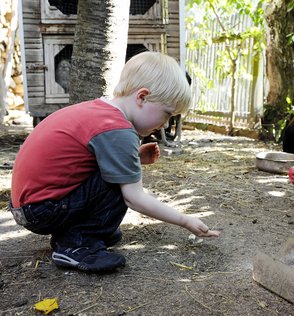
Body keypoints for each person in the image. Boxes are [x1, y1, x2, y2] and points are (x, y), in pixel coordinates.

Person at [9, 52, 220, 273]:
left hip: (31, 207)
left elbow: (79, 163)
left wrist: (134, 156)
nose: (165, 125)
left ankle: (79, 231)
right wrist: (185, 220)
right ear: (142, 97)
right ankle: (78, 244)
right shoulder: (118, 129)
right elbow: (134, 198)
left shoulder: (100, 112)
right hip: (42, 210)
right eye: (167, 114)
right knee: (120, 184)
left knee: (118, 177)